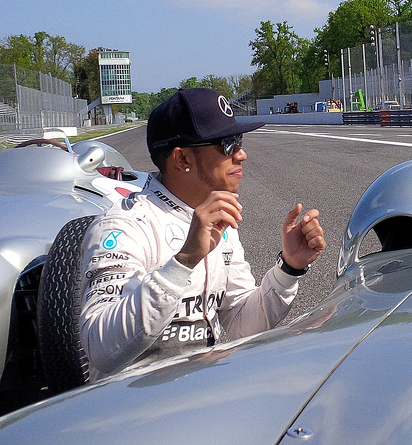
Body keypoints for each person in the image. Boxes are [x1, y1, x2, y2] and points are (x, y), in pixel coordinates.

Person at [79, 87, 326, 381]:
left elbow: (237, 325)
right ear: (182, 159)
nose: (242, 154)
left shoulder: (219, 219)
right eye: (227, 144)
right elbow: (101, 350)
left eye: (240, 141)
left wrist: (289, 267)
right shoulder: (123, 227)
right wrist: (183, 262)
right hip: (130, 407)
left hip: (199, 393)